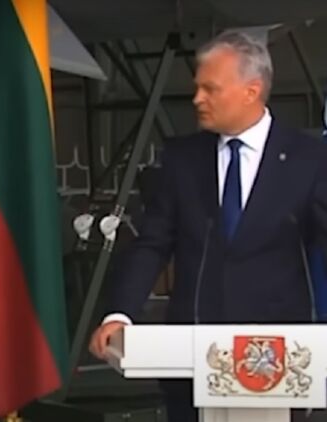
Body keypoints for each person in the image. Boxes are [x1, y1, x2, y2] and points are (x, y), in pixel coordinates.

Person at [88, 31, 327, 422]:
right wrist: (120, 314)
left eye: (210, 89)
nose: (197, 99)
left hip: (276, 359)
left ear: (251, 91)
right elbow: (152, 243)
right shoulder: (182, 159)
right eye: (196, 88)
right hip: (191, 357)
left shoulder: (309, 159)